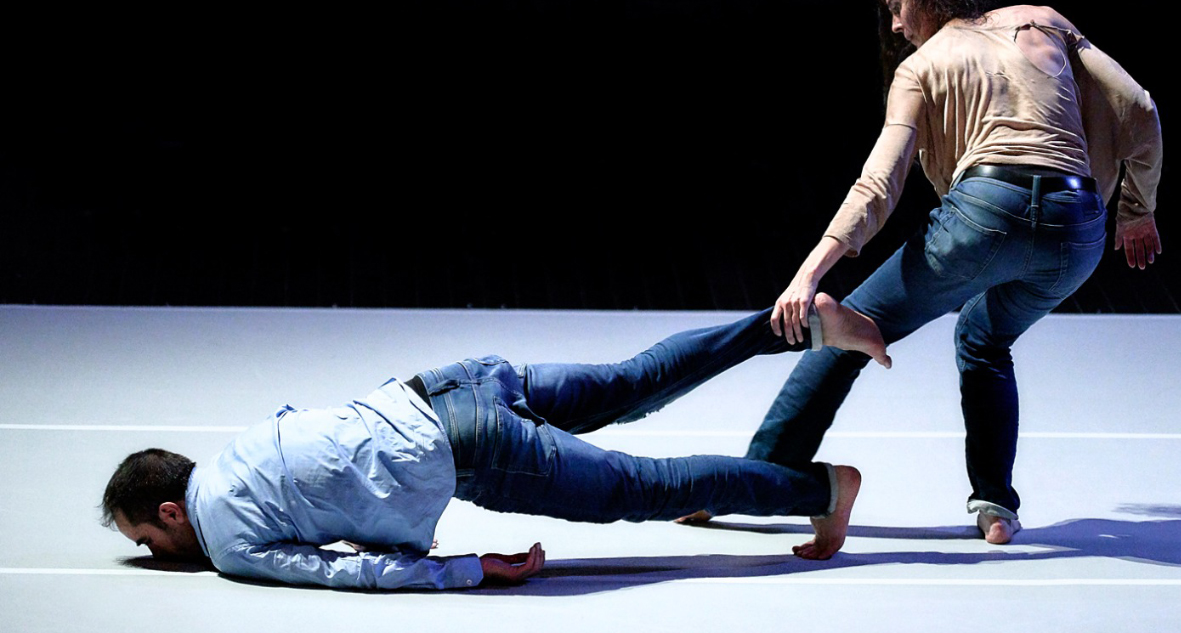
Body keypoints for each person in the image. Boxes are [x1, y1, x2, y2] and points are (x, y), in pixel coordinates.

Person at [683, 0, 1163, 544]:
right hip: (1079, 231)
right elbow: (1139, 107)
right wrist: (1136, 210)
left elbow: (878, 184)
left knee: (843, 333)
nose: (893, 24)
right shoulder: (1043, 21)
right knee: (984, 337)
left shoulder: (922, 65)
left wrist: (809, 275)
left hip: (987, 213)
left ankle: (753, 483)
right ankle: (996, 506)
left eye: (897, 5)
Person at [100, 295, 891, 590]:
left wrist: (467, 570)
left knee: (643, 487)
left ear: (169, 512)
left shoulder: (228, 543)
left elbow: (347, 572)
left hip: (469, 447)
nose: (157, 553)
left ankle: (819, 490)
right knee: (633, 379)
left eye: (147, 542)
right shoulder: (234, 449)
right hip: (449, 385)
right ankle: (801, 324)